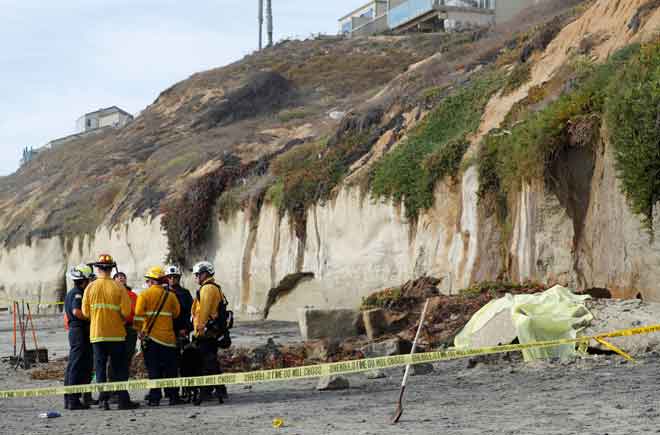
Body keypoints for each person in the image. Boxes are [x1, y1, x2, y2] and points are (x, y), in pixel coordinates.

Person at [81, 254, 139, 410]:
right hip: (116, 334)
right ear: (112, 269)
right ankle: (122, 400)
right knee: (119, 367)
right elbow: (127, 312)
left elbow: (85, 313)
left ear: (97, 268)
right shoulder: (119, 287)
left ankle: (103, 400)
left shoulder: (90, 287)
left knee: (100, 368)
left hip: (97, 334)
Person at [135, 266, 183, 406]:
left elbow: (138, 315)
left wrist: (139, 331)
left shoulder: (144, 295)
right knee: (171, 369)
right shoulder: (171, 295)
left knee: (153, 369)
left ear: (150, 281)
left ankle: (155, 397)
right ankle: (173, 396)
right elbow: (176, 313)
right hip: (168, 339)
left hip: (151, 338)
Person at [191, 261, 227, 404]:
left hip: (206, 332)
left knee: (206, 363)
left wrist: (200, 328)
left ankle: (207, 392)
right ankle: (220, 390)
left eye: (197, 274)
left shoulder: (207, 289)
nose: (196, 278)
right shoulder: (214, 287)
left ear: (204, 274)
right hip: (212, 331)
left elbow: (204, 310)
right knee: (211, 361)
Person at [63, 264, 96, 410]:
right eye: (89, 279)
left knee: (77, 365)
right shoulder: (78, 293)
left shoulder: (74, 292)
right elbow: (77, 311)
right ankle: (73, 400)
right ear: (84, 280)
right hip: (79, 331)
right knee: (76, 365)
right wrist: (91, 318)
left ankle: (72, 399)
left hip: (78, 331)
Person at [164, 265, 194, 398]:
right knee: (168, 364)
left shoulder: (185, 294)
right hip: (165, 332)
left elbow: (191, 313)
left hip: (181, 333)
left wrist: (186, 329)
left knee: (185, 363)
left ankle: (187, 389)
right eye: (170, 277)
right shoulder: (162, 293)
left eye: (175, 277)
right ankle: (170, 391)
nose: (172, 279)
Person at [113, 272, 140, 371]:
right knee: (115, 357)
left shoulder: (133, 295)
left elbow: (137, 313)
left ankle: (123, 379)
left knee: (128, 355)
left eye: (123, 277)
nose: (121, 278)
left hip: (130, 329)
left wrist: (137, 328)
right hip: (115, 329)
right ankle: (113, 379)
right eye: (118, 277)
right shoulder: (111, 293)